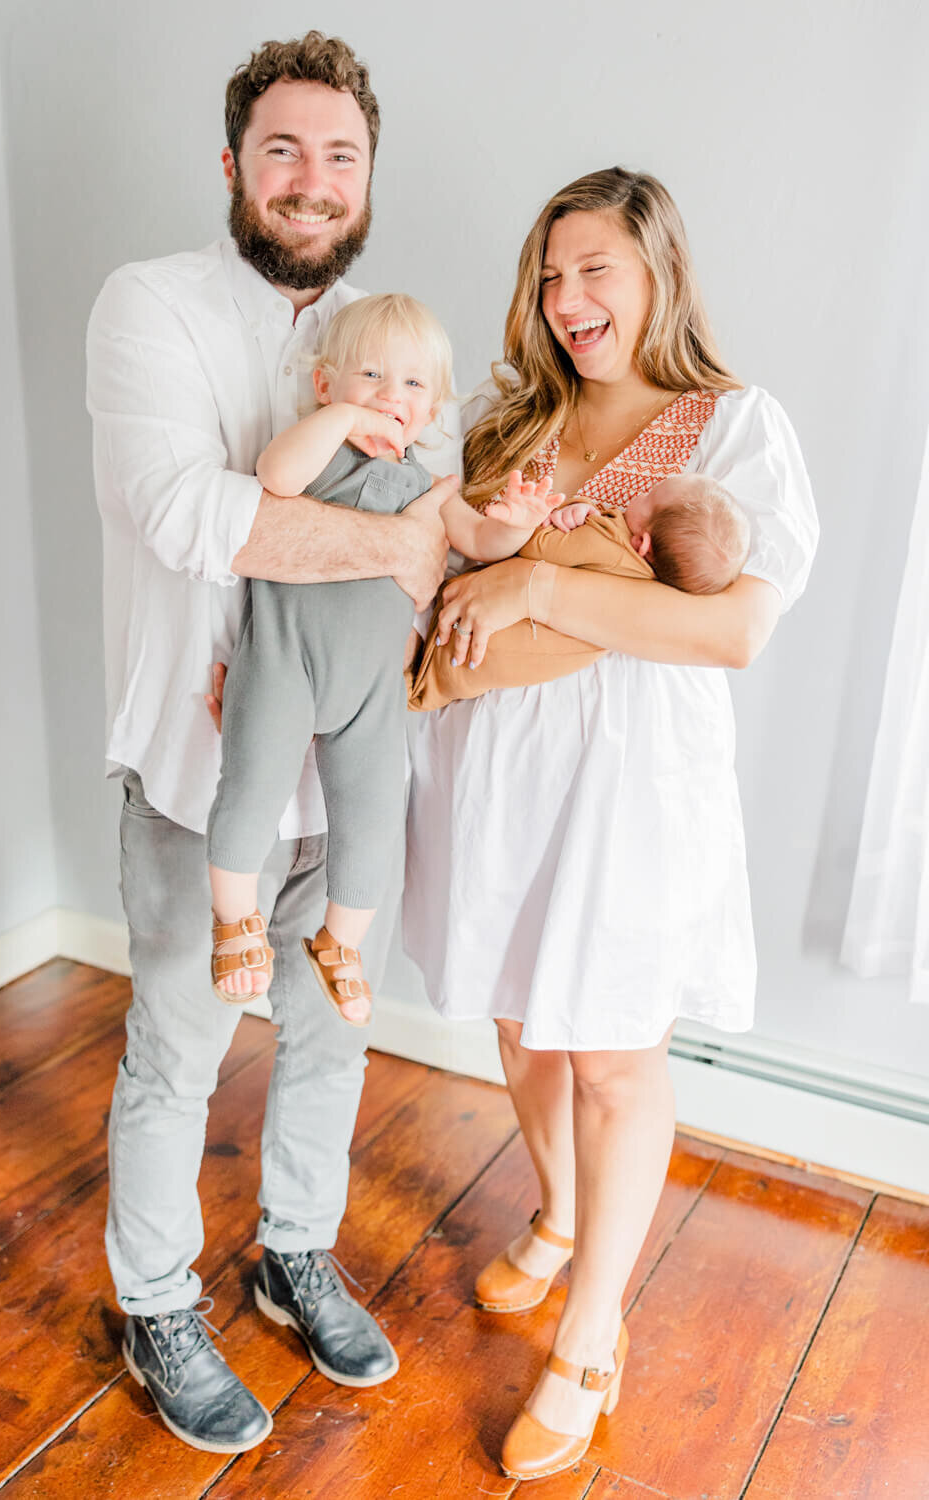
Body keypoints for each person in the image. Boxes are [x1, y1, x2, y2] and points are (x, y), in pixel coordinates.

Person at [404, 167, 818, 1482]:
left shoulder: (734, 425)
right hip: (497, 765)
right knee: (521, 1019)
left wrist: (539, 579)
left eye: (596, 270)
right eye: (550, 273)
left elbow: (729, 630)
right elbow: (444, 590)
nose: (568, 299)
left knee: (612, 1056)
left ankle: (593, 1334)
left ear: (659, 275)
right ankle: (564, 1212)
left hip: (634, 787)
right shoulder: (511, 421)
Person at [86, 32, 461, 1455]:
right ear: (234, 164)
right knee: (178, 1050)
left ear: (369, 180)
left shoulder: (393, 337)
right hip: (202, 775)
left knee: (330, 1035)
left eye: (341, 155)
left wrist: (416, 551)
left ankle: (294, 1249)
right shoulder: (151, 307)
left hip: (345, 773)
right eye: (285, 150)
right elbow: (186, 515)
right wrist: (386, 542)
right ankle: (156, 1299)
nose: (312, 180)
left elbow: (444, 542)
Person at [206, 292, 554, 1021]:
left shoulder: (430, 487)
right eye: (369, 376)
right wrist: (340, 419)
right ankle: (235, 918)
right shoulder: (316, 453)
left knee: (372, 819)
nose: (390, 396)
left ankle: (341, 942)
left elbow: (478, 543)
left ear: (430, 412)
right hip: (283, 663)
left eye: (413, 385)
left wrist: (514, 527)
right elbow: (274, 476)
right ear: (324, 385)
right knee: (250, 788)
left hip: (370, 692)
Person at [409, 471, 749, 710]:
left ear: (641, 542)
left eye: (648, 496)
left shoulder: (610, 545)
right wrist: (584, 514)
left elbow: (536, 548)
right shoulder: (638, 589)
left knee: (406, 656)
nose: (638, 493)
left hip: (459, 642)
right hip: (466, 662)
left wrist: (546, 518)